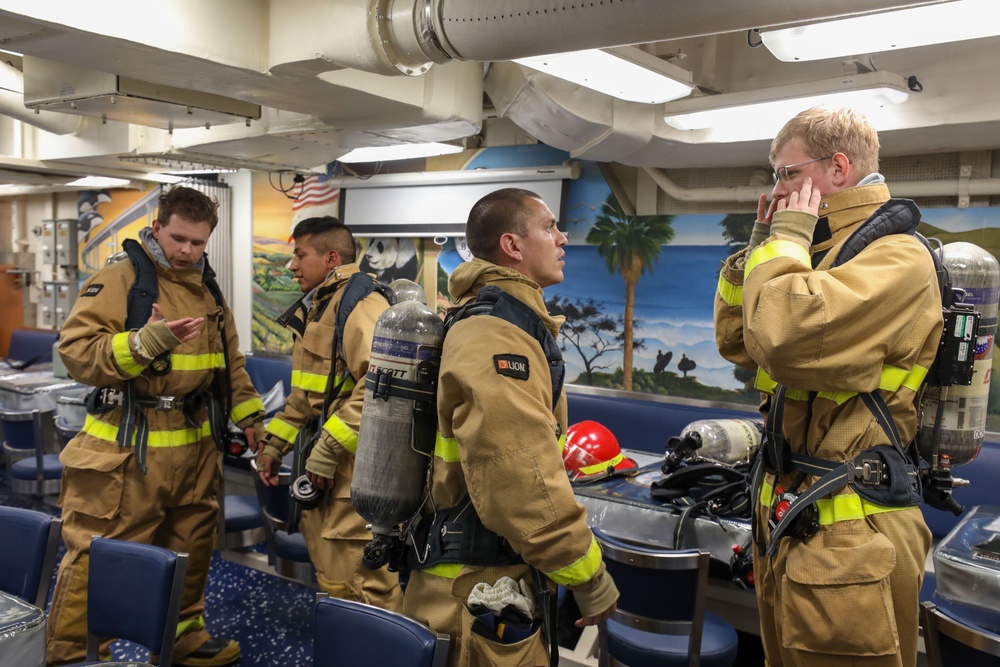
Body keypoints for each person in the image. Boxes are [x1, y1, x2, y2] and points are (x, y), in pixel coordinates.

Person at [714, 107, 941, 666]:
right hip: (789, 528)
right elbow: (738, 340)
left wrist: (785, 240)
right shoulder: (814, 254)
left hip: (852, 540)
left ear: (838, 168)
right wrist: (766, 240)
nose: (778, 190)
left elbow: (783, 336)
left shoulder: (896, 257)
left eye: (787, 174)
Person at [48, 186, 266, 667]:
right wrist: (145, 342)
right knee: (98, 559)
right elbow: (76, 352)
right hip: (127, 453)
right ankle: (72, 656)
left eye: (198, 243)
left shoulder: (208, 289)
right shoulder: (122, 278)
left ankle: (182, 636)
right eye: (179, 238)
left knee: (188, 554)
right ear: (156, 229)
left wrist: (250, 416)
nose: (187, 251)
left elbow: (230, 364)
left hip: (194, 452)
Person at [402, 188, 618, 667]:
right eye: (549, 227)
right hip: (472, 588)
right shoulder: (495, 334)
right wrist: (589, 578)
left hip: (485, 578)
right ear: (512, 246)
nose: (563, 239)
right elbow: (518, 477)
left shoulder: (506, 323)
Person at [255, 216, 400, 608]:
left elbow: (382, 388)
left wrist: (326, 448)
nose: (293, 265)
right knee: (335, 585)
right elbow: (306, 397)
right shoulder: (321, 307)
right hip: (323, 476)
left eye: (300, 255)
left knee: (362, 591)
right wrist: (274, 446)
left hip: (352, 480)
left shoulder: (361, 307)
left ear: (331, 257)